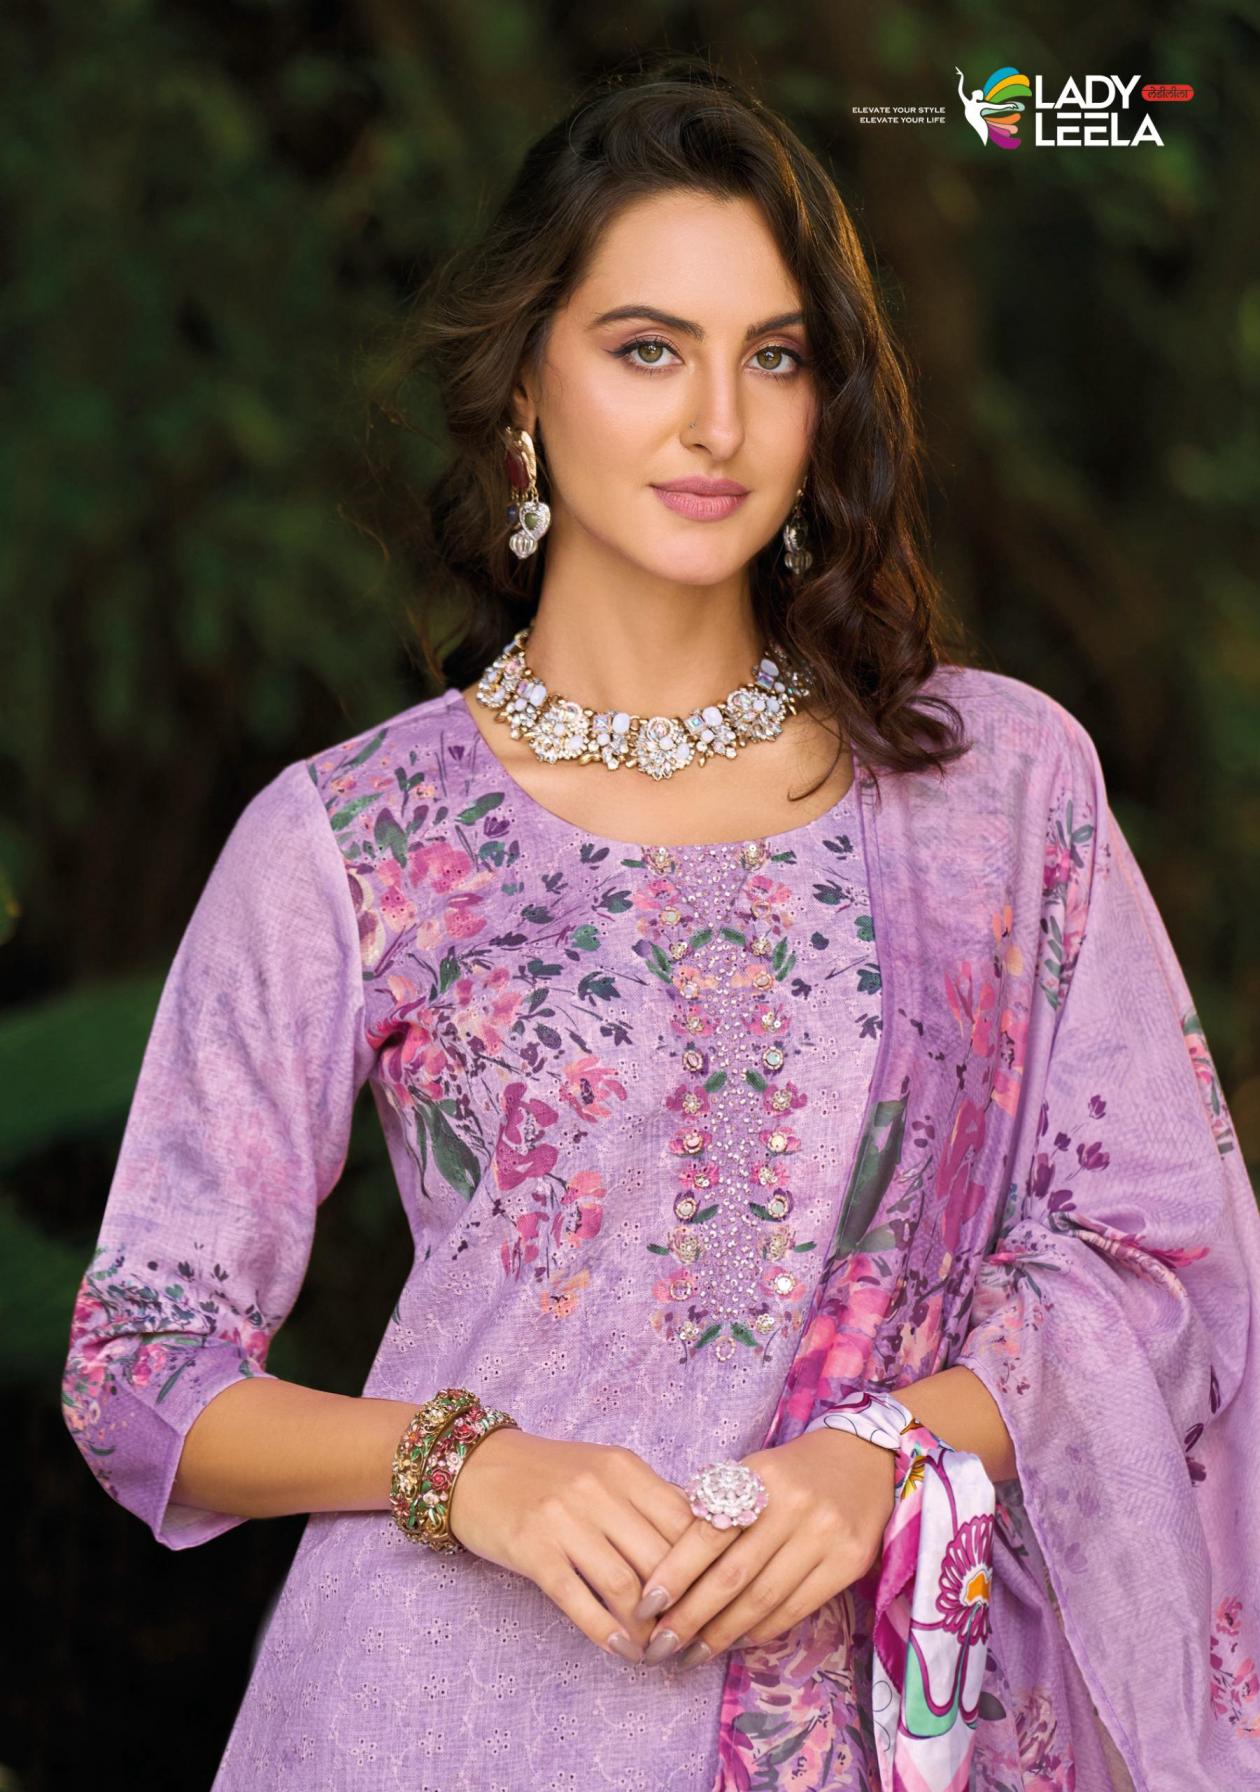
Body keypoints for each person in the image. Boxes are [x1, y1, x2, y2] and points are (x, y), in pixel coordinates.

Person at [60, 57, 1260, 1792]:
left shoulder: (995, 786)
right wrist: (467, 1468)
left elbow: (1163, 1255)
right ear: (523, 388)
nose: (717, 422)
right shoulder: (353, 840)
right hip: (437, 1720)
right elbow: (141, 1364)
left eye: (775, 356)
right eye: (647, 349)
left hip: (876, 1717)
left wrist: (886, 1452)